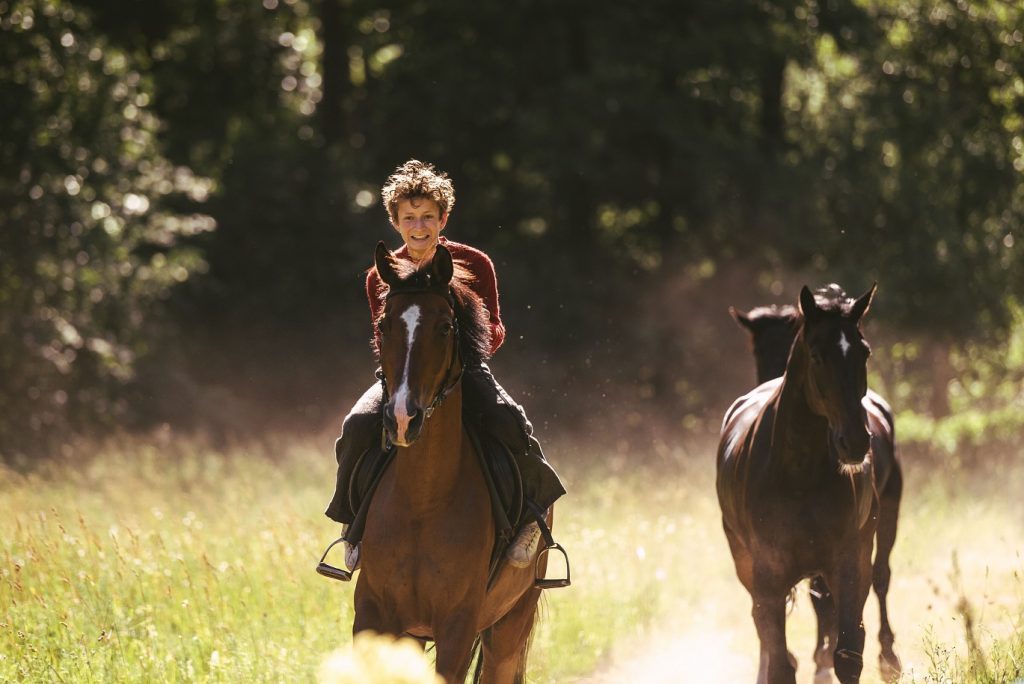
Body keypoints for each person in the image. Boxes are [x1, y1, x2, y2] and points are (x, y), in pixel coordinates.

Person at [325, 159, 566, 573]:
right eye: (409, 218)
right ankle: (352, 527)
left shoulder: (475, 263)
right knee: (355, 426)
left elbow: (494, 326)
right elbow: (383, 337)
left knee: (507, 418)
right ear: (395, 221)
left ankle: (532, 516)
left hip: (463, 371)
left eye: (427, 217)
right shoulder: (378, 276)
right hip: (401, 377)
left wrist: (459, 353)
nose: (419, 227)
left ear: (443, 218)